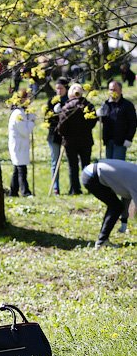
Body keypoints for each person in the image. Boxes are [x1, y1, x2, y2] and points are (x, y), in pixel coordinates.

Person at [96, 80, 136, 232]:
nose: (112, 91)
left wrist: (129, 139)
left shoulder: (127, 105)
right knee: (109, 172)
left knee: (117, 172)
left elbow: (133, 123)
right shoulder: (106, 104)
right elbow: (101, 119)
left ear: (120, 90)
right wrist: (99, 114)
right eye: (110, 89)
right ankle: (112, 202)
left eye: (114, 89)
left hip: (120, 142)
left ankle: (121, 203)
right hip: (109, 141)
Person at [81, 160, 137, 248]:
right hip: (91, 176)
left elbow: (126, 196)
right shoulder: (135, 180)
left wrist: (124, 221)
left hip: (92, 172)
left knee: (116, 206)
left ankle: (102, 240)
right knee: (116, 207)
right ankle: (102, 241)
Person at [56, 83, 97, 195]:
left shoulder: (67, 107)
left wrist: (64, 134)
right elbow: (93, 121)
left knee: (73, 167)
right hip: (86, 140)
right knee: (86, 165)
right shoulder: (88, 105)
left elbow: (62, 125)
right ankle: (90, 187)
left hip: (70, 142)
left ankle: (75, 189)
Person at [7, 90, 36, 197]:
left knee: (17, 168)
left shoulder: (23, 113)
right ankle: (25, 191)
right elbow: (25, 131)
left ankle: (13, 191)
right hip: (18, 145)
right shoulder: (18, 114)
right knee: (21, 168)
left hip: (22, 145)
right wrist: (32, 121)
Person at [43, 77, 68, 194]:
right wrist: (54, 113)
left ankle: (73, 187)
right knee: (55, 162)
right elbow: (47, 119)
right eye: (57, 88)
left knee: (71, 162)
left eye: (61, 88)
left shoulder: (69, 101)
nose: (58, 91)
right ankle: (56, 187)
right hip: (54, 136)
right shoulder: (52, 101)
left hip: (68, 136)